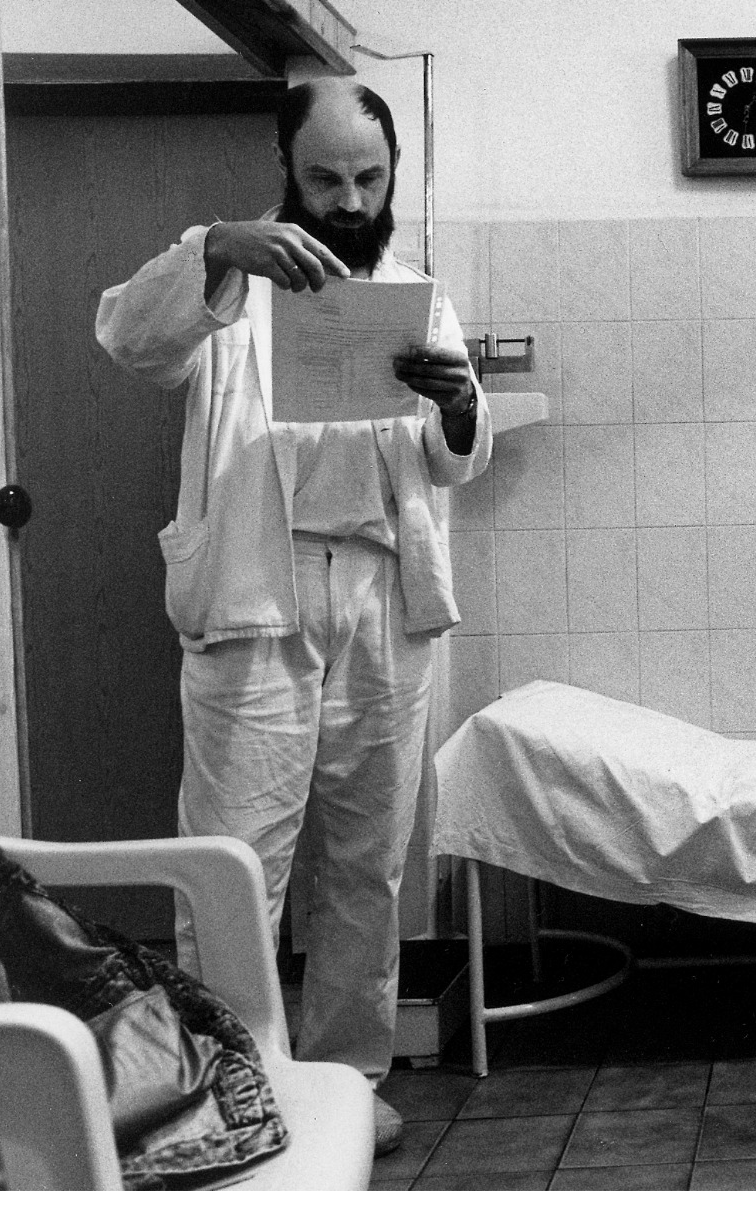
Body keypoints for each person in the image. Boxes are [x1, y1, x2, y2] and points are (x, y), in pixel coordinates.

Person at [95, 79, 491, 1157]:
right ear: (286, 168)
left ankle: (347, 1080)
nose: (350, 200)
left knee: (368, 862)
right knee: (232, 864)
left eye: (369, 177)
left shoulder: (413, 294)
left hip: (380, 595)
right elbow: (129, 338)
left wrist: (460, 403)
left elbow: (451, 457)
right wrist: (216, 247)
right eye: (325, 178)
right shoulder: (226, 280)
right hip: (255, 600)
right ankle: (237, 1087)